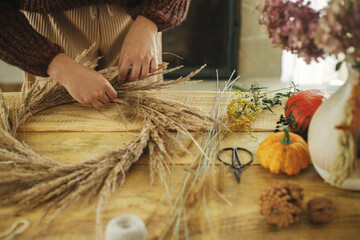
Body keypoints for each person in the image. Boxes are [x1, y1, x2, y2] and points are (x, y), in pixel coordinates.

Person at [0, 0, 190, 109]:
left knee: (142, 140)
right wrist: (58, 66)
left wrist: (151, 20)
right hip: (50, 36)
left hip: (138, 24)